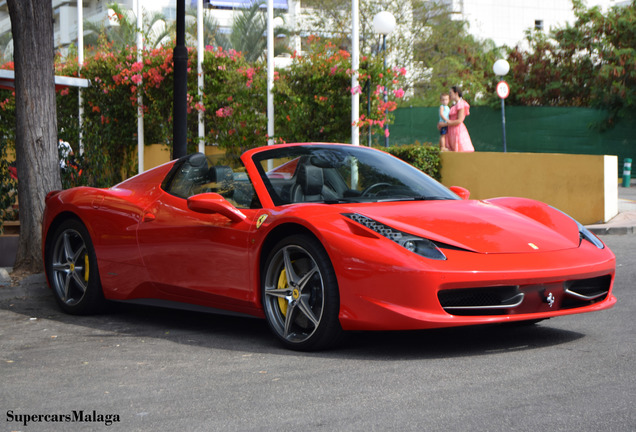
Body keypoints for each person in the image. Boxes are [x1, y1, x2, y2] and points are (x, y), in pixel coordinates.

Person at [439, 86, 474, 152]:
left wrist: (445, 123)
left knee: (461, 151)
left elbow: (459, 120)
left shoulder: (461, 104)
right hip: (450, 131)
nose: (449, 95)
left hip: (458, 131)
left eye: (451, 93)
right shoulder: (453, 105)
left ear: (456, 93)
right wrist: (441, 124)